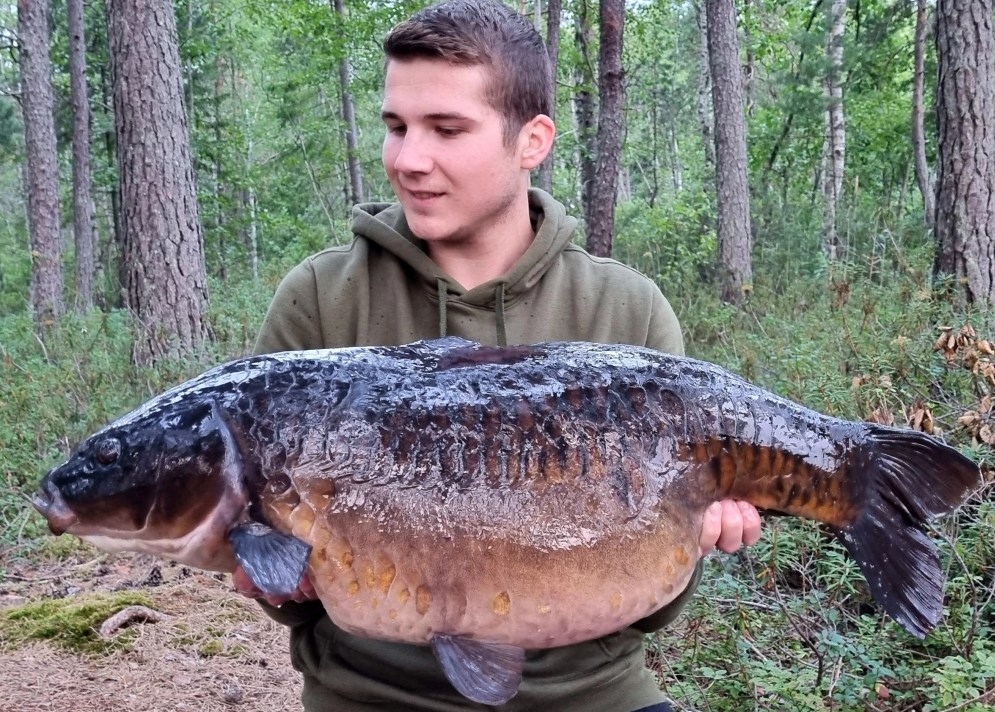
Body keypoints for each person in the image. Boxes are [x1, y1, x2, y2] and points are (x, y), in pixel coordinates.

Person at [234, 1, 761, 710]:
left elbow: (650, 614)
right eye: (397, 127)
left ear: (531, 140)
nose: (408, 160)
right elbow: (285, 592)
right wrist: (275, 575)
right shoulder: (322, 301)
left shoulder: (624, 310)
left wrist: (697, 537)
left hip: (593, 696)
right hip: (372, 696)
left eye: (446, 129)